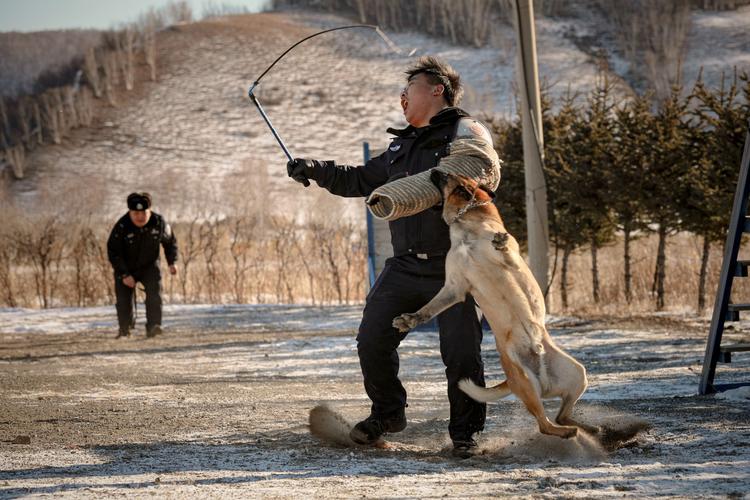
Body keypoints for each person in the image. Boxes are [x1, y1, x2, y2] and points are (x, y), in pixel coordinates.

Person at [287, 56, 495, 458]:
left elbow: (482, 176)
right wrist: (315, 168)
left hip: (456, 265)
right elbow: (361, 180)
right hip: (404, 265)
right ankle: (388, 414)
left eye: (410, 88)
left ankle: (466, 436)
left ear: (437, 89)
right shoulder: (400, 145)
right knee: (372, 339)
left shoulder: (464, 133)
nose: (402, 97)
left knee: (461, 353)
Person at [107, 192, 178, 339]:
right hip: (126, 266)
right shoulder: (121, 226)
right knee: (124, 300)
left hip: (150, 265)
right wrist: (124, 274)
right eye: (136, 213)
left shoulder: (159, 222)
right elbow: (113, 252)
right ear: (130, 212)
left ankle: (154, 327)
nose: (140, 217)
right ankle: (125, 330)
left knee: (155, 295)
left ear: (150, 210)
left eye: (143, 212)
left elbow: (170, 242)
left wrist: (172, 262)